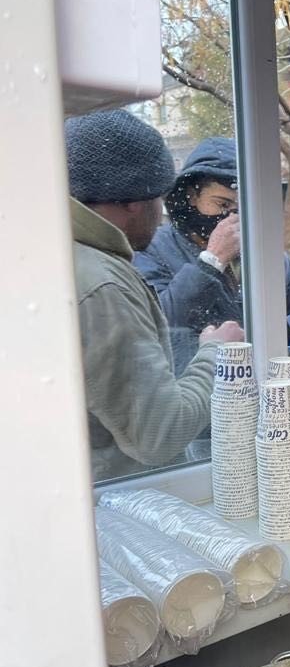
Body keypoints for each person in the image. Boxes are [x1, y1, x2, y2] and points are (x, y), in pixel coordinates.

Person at [66, 110, 244, 482]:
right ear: (133, 200)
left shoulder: (75, 255)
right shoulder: (104, 284)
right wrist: (217, 353)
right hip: (125, 495)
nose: (161, 211)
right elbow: (159, 434)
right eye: (159, 197)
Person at [133, 137, 290, 376]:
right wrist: (213, 259)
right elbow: (162, 321)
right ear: (192, 196)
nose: (231, 217)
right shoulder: (153, 247)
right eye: (222, 204)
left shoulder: (268, 255)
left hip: (258, 392)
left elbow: (287, 327)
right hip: (193, 395)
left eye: (242, 206)